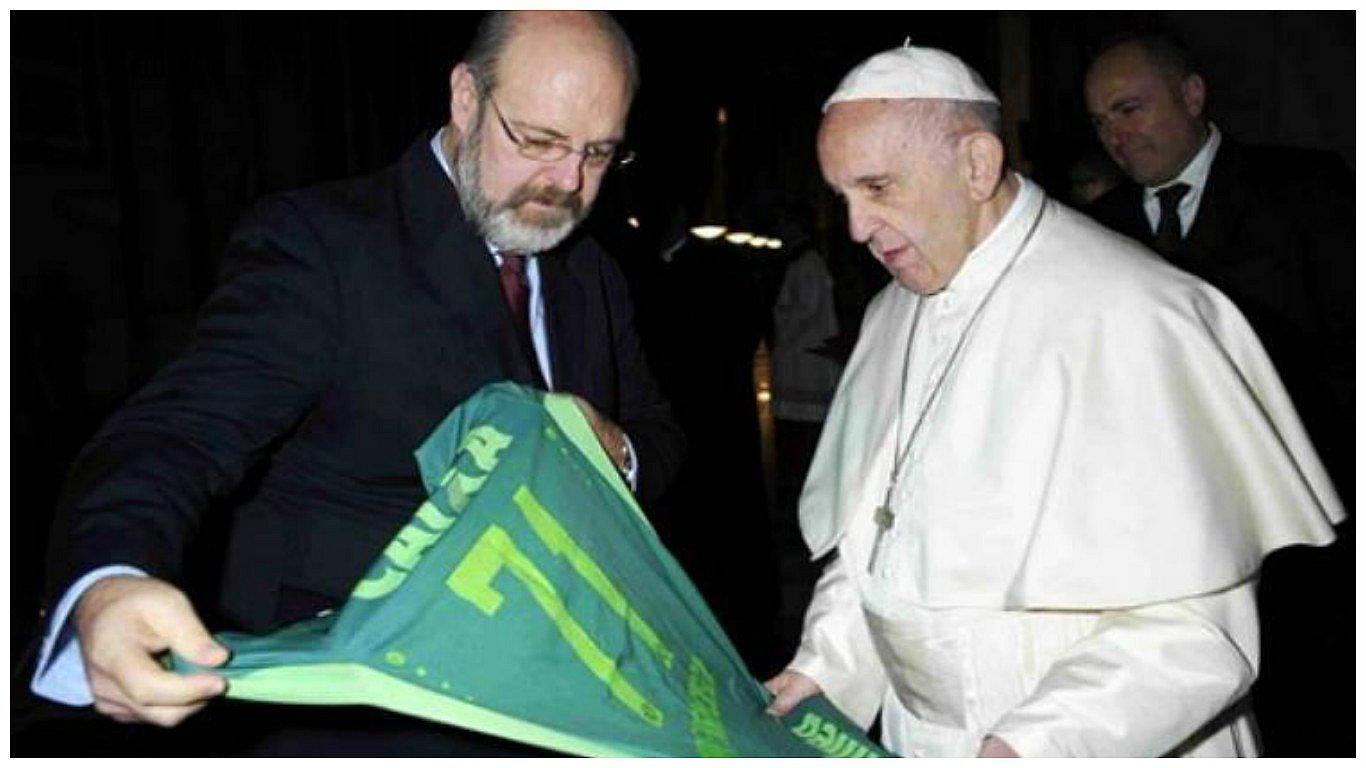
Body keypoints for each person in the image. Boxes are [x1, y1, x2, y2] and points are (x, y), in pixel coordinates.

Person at [30, 10, 684, 754]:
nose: (568, 183)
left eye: (599, 154)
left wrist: (615, 450)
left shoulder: (592, 274)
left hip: (550, 702)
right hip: (359, 722)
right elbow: (176, 431)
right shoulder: (324, 245)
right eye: (537, 141)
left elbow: (659, 437)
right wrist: (109, 581)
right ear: (466, 99)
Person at [762, 42, 1342, 757]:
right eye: (843, 195)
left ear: (977, 165)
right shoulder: (893, 312)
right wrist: (822, 672)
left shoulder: (1135, 311)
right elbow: (876, 542)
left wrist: (1030, 747)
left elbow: (1198, 634)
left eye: (878, 187)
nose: (855, 228)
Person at [1082, 32, 1352, 498]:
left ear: (1191, 95)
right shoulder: (1094, 229)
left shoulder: (1308, 190)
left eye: (1128, 110)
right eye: (1101, 122)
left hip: (1306, 489)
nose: (1115, 137)